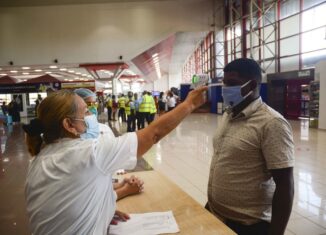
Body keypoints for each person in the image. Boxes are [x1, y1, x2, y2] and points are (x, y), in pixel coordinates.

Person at [23, 86, 207, 235]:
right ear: (69, 125)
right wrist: (189, 104)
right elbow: (153, 134)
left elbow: (72, 198)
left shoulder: (39, 159)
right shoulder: (88, 153)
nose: (91, 116)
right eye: (86, 112)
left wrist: (102, 211)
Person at [206, 58, 294, 235]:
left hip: (248, 226)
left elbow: (285, 184)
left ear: (252, 85)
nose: (225, 88)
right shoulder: (229, 113)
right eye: (224, 83)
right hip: (215, 215)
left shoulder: (271, 123)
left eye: (232, 83)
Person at [74, 88, 143, 199]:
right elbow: (87, 197)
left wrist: (120, 184)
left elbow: (96, 185)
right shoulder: (72, 142)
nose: (93, 108)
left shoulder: (104, 128)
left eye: (94, 103)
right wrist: (125, 190)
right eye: (88, 106)